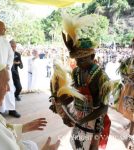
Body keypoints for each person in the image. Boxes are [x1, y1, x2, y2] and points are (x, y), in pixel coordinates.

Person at [50, 14, 111, 150]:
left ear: (93, 56)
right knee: (77, 144)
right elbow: (75, 93)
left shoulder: (102, 78)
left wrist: (84, 121)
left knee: (92, 147)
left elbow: (104, 108)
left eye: (82, 60)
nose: (78, 63)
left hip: (96, 120)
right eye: (76, 60)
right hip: (79, 116)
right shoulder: (76, 72)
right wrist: (60, 102)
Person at [0, 59, 60, 150]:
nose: (8, 89)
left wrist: (23, 128)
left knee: (30, 144)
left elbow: (3, 129)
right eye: (5, 83)